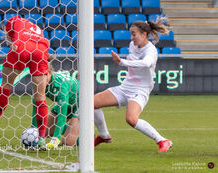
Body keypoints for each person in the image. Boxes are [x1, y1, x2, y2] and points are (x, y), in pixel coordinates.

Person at [94, 18, 173, 152]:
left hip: (140, 90)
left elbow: (146, 63)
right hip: (125, 87)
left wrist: (123, 62)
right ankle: (104, 135)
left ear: (144, 34)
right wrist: (123, 62)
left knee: (131, 119)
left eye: (134, 34)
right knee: (91, 103)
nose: (131, 37)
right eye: (131, 34)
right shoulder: (133, 45)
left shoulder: (151, 50)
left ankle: (163, 140)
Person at [0, 16, 50, 149]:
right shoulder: (37, 28)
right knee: (40, 97)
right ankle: (42, 138)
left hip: (22, 45)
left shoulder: (14, 20)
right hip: (41, 49)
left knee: (6, 86)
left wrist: (15, 43)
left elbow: (15, 35)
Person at [31, 61, 79, 149]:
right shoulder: (37, 82)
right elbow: (36, 109)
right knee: (44, 132)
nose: (40, 78)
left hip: (79, 105)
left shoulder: (62, 86)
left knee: (68, 142)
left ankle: (87, 137)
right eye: (37, 75)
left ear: (50, 73)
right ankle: (70, 129)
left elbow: (62, 115)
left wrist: (55, 140)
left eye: (43, 75)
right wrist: (33, 133)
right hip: (66, 105)